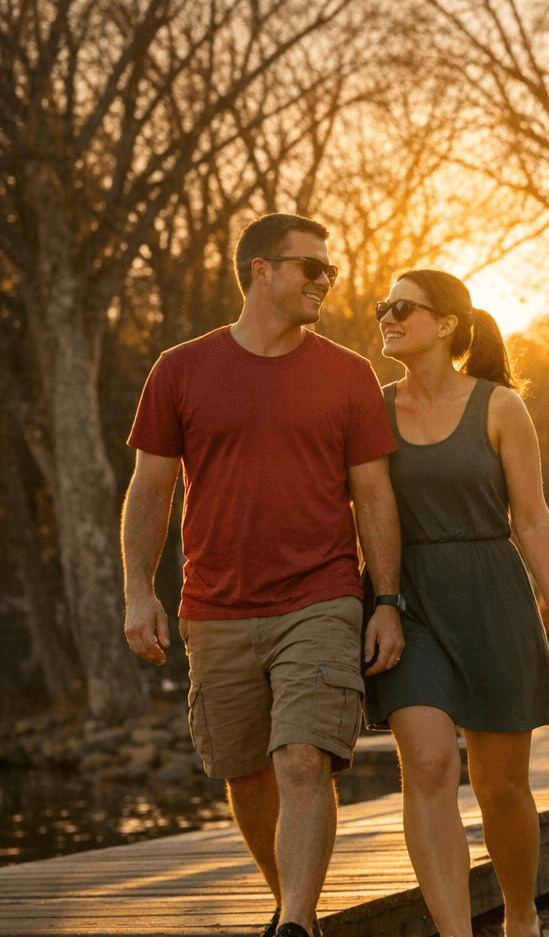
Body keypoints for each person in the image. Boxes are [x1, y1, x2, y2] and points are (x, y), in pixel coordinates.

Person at [121, 213, 402, 937]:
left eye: (329, 271)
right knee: (246, 773)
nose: (324, 283)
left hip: (322, 595)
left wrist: (388, 599)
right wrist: (136, 590)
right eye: (312, 268)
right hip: (213, 606)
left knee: (304, 759)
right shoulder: (180, 369)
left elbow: (373, 495)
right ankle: (290, 901)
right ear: (261, 270)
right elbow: (150, 489)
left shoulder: (348, 374)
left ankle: (298, 925)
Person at [367, 268, 549, 937]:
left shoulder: (499, 406)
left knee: (500, 788)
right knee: (429, 765)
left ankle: (521, 913)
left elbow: (532, 518)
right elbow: (364, 510)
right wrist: (377, 600)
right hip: (411, 605)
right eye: (384, 306)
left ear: (448, 324)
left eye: (403, 306)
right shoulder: (372, 408)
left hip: (492, 598)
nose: (387, 315)